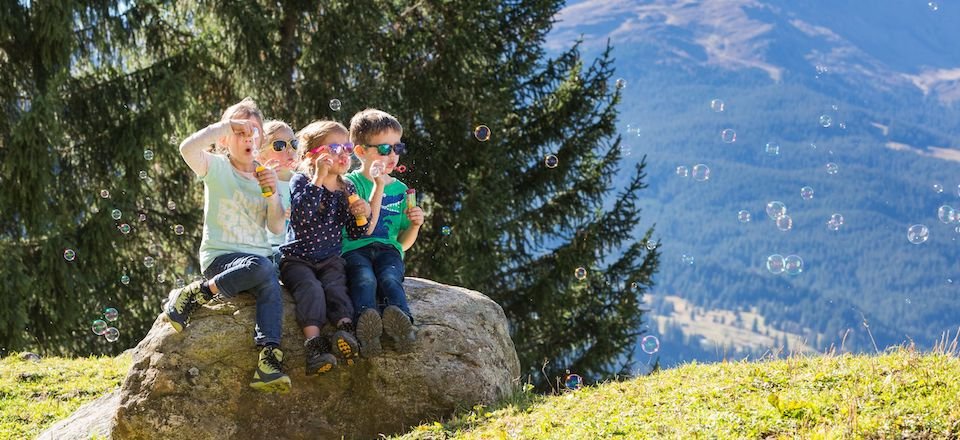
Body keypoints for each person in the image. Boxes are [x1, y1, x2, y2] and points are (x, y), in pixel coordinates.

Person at [163, 98, 290, 393]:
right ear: (224, 140)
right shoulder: (216, 167)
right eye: (239, 132)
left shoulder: (265, 175)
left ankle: (269, 359)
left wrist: (272, 195)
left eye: (253, 132)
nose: (247, 138)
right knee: (262, 268)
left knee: (268, 276)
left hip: (257, 262)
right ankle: (195, 294)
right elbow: (187, 149)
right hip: (221, 258)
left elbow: (275, 227)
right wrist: (223, 125)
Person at [280, 120, 374, 375]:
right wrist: (319, 178)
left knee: (336, 288)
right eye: (335, 148)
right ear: (313, 155)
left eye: (346, 147)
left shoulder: (347, 187)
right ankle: (315, 347)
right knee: (311, 290)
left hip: (330, 258)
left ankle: (346, 332)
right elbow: (301, 217)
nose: (344, 154)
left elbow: (355, 233)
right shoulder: (301, 180)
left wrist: (360, 215)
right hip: (297, 259)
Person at [342, 109, 425, 357]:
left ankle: (402, 325)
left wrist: (415, 225)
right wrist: (376, 189)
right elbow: (357, 224)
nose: (392, 156)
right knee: (365, 278)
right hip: (354, 248)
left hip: (388, 250)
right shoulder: (349, 183)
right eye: (384, 149)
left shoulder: (401, 189)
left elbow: (403, 244)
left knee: (390, 278)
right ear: (360, 151)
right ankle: (367, 326)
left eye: (397, 149)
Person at [256, 120, 299, 269]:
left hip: (297, 247)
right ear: (260, 155)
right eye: (279, 145)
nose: (289, 150)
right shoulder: (259, 182)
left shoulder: (303, 182)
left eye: (294, 143)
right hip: (270, 248)